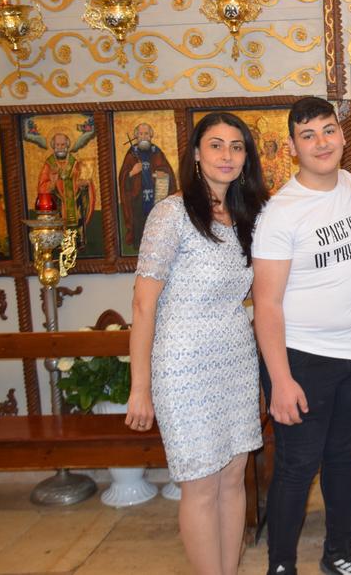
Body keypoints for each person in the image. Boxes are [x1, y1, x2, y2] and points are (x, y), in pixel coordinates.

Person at [125, 112, 269, 575]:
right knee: (201, 482)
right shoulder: (172, 214)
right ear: (196, 154)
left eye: (236, 146)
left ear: (246, 158)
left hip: (235, 359)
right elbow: (143, 305)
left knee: (233, 477)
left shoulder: (248, 216)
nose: (227, 155)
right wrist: (140, 387)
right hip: (183, 364)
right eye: (216, 145)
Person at [252, 98, 351, 575]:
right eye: (308, 136)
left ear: (342, 135)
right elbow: (266, 304)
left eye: (328, 130)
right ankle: (281, 565)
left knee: (345, 458)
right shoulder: (280, 213)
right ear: (292, 147)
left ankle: (340, 552)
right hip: (304, 357)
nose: (321, 142)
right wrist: (280, 380)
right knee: (297, 466)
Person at [119, 122, 178, 250]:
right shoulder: (131, 154)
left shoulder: (157, 152)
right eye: (140, 134)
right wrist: (132, 172)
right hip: (138, 198)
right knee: (140, 226)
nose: (143, 136)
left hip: (157, 197)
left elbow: (167, 172)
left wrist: (161, 174)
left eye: (146, 134)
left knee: (157, 225)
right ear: (136, 136)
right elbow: (123, 178)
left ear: (151, 136)